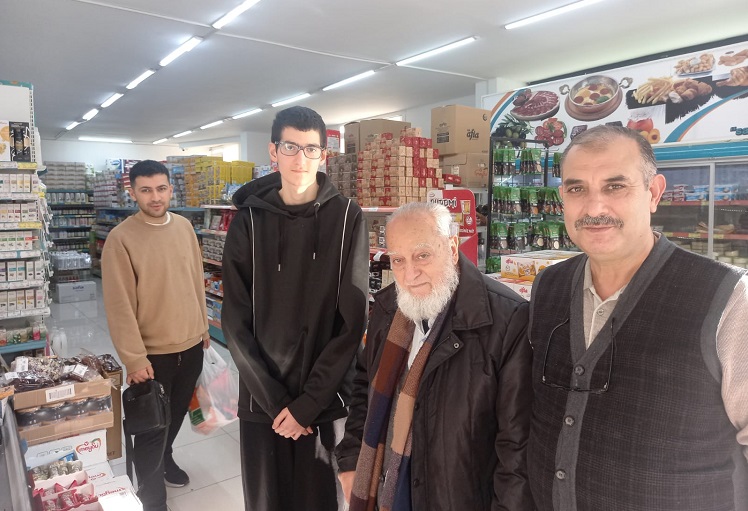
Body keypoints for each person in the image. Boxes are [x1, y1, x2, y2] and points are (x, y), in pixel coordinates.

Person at [527, 125, 748, 511]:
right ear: (563, 198)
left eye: (615, 186)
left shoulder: (730, 298)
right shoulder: (548, 286)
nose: (594, 208)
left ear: (654, 193)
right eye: (577, 189)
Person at [337, 202, 534, 511]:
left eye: (422, 255)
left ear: (452, 248)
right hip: (386, 491)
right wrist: (351, 457)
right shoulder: (388, 309)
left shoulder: (506, 320)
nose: (409, 274)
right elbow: (364, 385)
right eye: (398, 260)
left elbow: (517, 449)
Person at [221, 105, 369, 511]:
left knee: (320, 501)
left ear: (323, 155)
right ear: (274, 151)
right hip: (262, 402)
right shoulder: (248, 221)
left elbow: (351, 322)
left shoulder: (348, 218)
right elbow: (234, 321)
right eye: (290, 147)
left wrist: (307, 405)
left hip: (324, 401)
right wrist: (276, 403)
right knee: (266, 502)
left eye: (310, 149)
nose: (300, 158)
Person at [102, 160, 209, 511]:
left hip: (190, 345)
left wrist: (203, 327)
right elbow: (119, 305)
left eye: (161, 188)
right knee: (150, 427)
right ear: (132, 192)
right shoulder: (121, 239)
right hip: (152, 355)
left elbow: (195, 279)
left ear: (170, 189)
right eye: (146, 190)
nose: (155, 197)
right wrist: (134, 359)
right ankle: (151, 496)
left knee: (175, 415)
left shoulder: (184, 227)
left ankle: (167, 457)